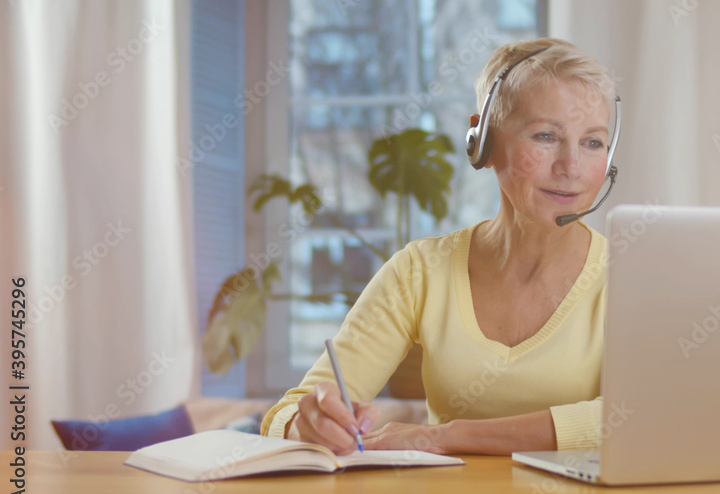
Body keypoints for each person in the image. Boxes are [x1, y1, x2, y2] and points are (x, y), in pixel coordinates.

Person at [261, 37, 619, 456]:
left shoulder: (629, 276)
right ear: (482, 140)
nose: (571, 168)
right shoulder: (420, 271)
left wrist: (448, 436)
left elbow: (634, 416)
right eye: (545, 136)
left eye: (592, 142)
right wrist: (312, 422)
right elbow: (284, 415)